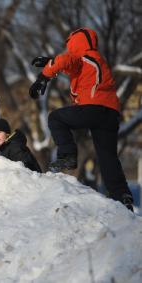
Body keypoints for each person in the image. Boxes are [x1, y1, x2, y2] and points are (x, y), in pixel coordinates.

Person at [29, 27, 134, 211]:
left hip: (93, 108)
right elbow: (73, 67)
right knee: (107, 157)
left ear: (75, 42)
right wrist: (49, 62)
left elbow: (67, 60)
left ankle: (67, 155)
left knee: (56, 118)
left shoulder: (81, 55)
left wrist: (43, 76)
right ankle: (122, 196)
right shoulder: (95, 59)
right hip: (110, 114)